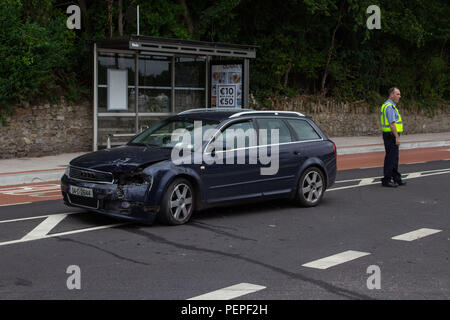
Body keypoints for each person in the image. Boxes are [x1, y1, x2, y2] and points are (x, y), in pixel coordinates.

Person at [380, 87, 406, 187]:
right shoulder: (389, 107)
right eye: (398, 94)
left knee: (394, 158)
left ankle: (396, 178)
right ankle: (386, 180)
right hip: (391, 135)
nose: (400, 96)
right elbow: (392, 124)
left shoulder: (390, 106)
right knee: (391, 158)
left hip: (390, 135)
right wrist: (397, 137)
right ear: (391, 95)